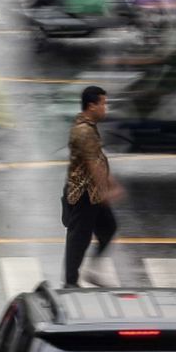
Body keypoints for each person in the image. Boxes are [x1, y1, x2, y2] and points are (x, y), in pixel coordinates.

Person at [63, 86, 123, 287]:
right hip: (84, 194)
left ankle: (91, 271)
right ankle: (70, 284)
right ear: (92, 106)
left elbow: (100, 159)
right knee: (79, 239)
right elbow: (93, 164)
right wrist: (106, 191)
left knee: (108, 228)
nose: (105, 108)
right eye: (103, 104)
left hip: (94, 193)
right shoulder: (84, 131)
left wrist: (110, 182)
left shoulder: (88, 127)